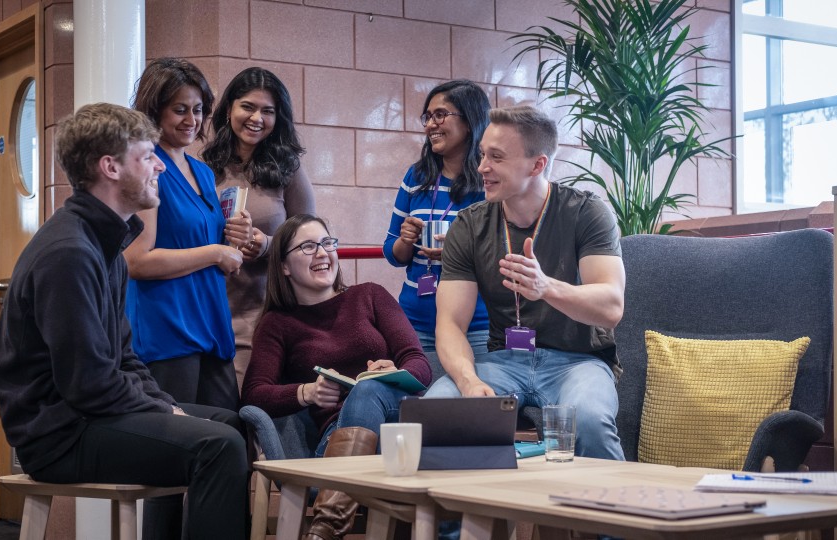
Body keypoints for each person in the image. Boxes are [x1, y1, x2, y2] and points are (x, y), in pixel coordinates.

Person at [0, 102, 249, 540]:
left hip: (85, 416)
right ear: (109, 167)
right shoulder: (69, 252)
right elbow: (89, 384)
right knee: (218, 447)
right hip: (57, 434)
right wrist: (166, 408)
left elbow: (124, 359)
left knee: (228, 423)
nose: (158, 168)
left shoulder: (103, 242)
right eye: (147, 156)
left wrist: (166, 404)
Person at [427, 105, 627, 461]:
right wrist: (469, 381)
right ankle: (463, 518)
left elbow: (611, 307)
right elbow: (450, 324)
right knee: (436, 413)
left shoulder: (586, 212)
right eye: (483, 154)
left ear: (537, 165)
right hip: (503, 361)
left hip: (578, 361)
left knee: (591, 420)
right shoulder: (469, 225)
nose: (482, 167)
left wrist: (546, 287)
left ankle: (614, 515)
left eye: (497, 157)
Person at [243, 214, 432, 540]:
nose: (322, 253)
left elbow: (419, 363)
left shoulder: (370, 295)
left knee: (369, 388)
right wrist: (306, 393)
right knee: (365, 394)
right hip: (343, 439)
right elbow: (255, 394)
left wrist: (395, 371)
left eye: (328, 243)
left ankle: (326, 523)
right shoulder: (278, 324)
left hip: (400, 425)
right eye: (308, 246)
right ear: (285, 266)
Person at [125, 58, 242, 539]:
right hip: (167, 327)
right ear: (155, 110)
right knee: (170, 467)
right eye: (180, 109)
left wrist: (236, 237)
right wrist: (215, 250)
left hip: (210, 323)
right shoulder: (147, 163)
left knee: (232, 438)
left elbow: (205, 239)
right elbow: (138, 259)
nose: (191, 121)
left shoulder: (199, 168)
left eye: (198, 110)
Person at [202, 67, 316, 390]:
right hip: (211, 307)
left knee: (250, 406)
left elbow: (309, 238)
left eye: (268, 111)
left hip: (263, 312)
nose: (257, 118)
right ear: (229, 109)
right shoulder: (205, 166)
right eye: (248, 107)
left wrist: (266, 243)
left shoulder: (288, 168)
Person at [383, 79, 491, 357]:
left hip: (476, 328)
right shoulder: (416, 176)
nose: (431, 124)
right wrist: (406, 240)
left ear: (469, 122)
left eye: (440, 115)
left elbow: (503, 256)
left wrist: (458, 255)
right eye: (428, 117)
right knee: (416, 399)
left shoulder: (489, 183)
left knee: (473, 398)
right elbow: (392, 254)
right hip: (415, 323)